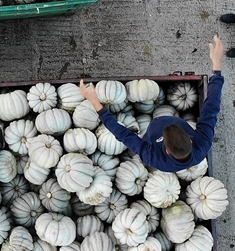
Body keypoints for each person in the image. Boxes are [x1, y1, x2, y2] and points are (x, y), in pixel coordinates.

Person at [79, 37, 225, 172]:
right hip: (161, 127)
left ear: (167, 150)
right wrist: (217, 67)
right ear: (190, 139)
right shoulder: (203, 144)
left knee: (136, 143)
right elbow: (211, 108)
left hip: (149, 135)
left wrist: (96, 103)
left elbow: (122, 134)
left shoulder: (155, 159)